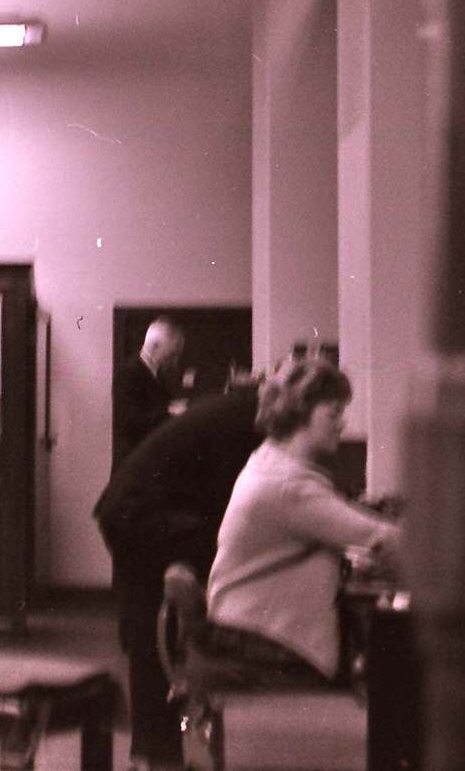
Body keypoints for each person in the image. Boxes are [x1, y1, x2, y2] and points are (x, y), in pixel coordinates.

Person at [94, 377, 263, 771]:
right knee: (155, 635)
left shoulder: (237, 412)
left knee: (155, 636)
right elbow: (225, 500)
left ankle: (154, 752)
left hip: (139, 511)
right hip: (141, 517)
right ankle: (154, 754)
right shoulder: (245, 424)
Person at [206, 358, 399, 685]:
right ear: (300, 414)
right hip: (261, 638)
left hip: (241, 626)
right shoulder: (288, 485)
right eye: (333, 414)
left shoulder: (270, 461)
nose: (342, 424)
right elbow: (377, 535)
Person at [112, 318, 187, 472]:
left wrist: (172, 407)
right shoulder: (128, 374)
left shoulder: (157, 375)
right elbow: (128, 422)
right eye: (172, 354)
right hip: (133, 465)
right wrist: (169, 411)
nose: (175, 361)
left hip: (148, 462)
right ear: (154, 346)